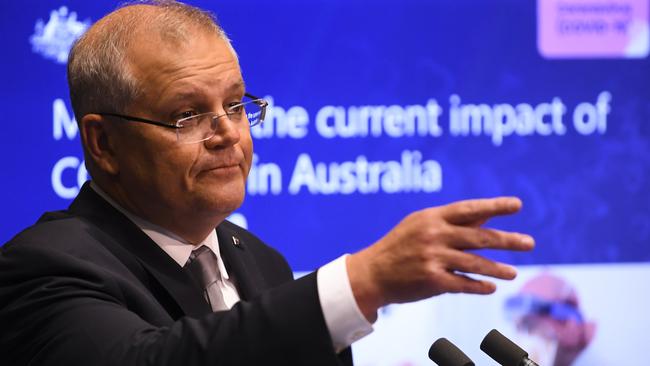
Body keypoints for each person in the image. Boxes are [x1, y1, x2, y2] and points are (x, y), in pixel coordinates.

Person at [0, 1, 535, 365]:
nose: (227, 133)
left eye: (234, 104)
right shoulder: (43, 269)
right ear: (104, 144)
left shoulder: (264, 264)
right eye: (187, 115)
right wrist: (362, 281)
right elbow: (154, 359)